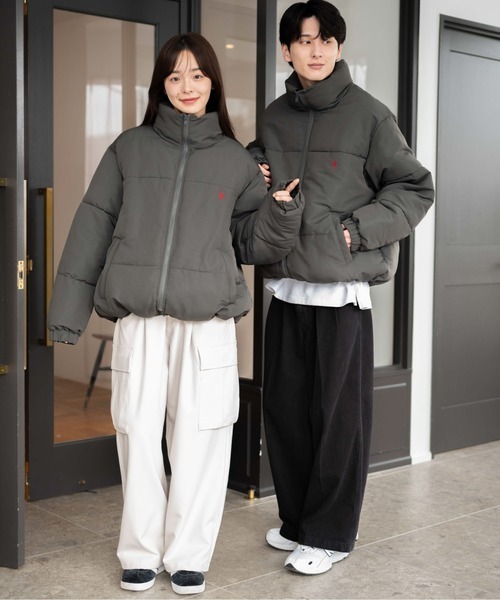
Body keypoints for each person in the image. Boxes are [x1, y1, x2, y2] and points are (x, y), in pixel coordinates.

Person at [48, 33, 303, 595]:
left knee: (202, 439)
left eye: (197, 75)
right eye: (175, 76)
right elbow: (92, 224)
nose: (187, 86)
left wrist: (282, 212)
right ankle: (140, 552)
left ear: (213, 83)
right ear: (161, 86)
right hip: (140, 321)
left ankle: (189, 555)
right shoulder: (129, 149)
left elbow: (252, 243)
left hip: (207, 324)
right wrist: (66, 313)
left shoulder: (235, 161)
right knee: (137, 435)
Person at [247, 0, 434, 576]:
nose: (317, 50)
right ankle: (298, 522)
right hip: (287, 289)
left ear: (338, 46)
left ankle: (330, 534)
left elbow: (415, 188)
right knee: (286, 414)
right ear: (286, 50)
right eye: (305, 40)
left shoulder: (370, 116)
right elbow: (261, 170)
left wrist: (355, 232)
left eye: (326, 40)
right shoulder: (275, 116)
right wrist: (254, 167)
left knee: (338, 422)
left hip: (341, 295)